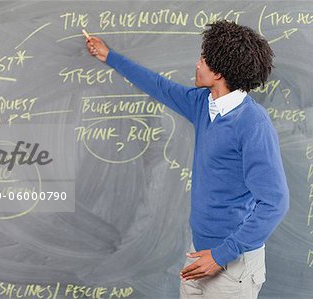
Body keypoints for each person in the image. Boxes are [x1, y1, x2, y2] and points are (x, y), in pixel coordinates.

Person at [84, 20, 289, 299]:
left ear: (218, 72)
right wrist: (110, 57)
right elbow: (159, 86)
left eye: (203, 59)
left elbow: (275, 202)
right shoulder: (203, 104)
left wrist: (221, 255)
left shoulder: (253, 124)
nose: (197, 63)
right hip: (198, 252)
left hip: (231, 263)